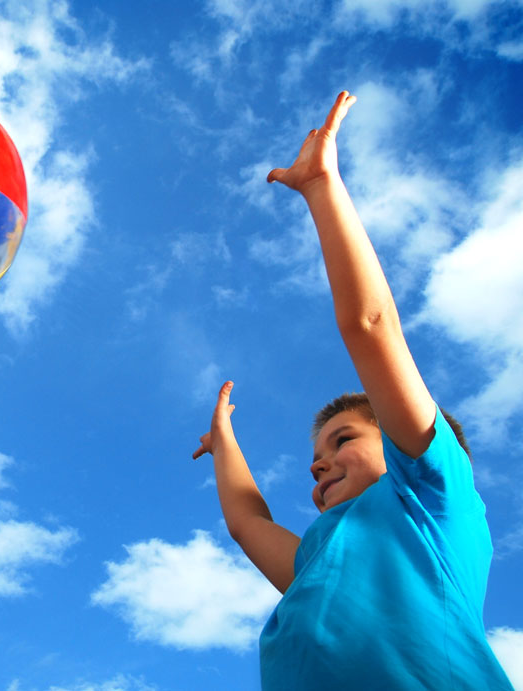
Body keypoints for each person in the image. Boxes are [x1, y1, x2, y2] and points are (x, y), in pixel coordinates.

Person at [192, 92, 512, 689]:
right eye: (319, 456)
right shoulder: (315, 561)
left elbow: (370, 325)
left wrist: (321, 188)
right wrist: (225, 444)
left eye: (341, 440)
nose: (318, 465)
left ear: (399, 446)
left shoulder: (432, 500)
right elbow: (246, 522)